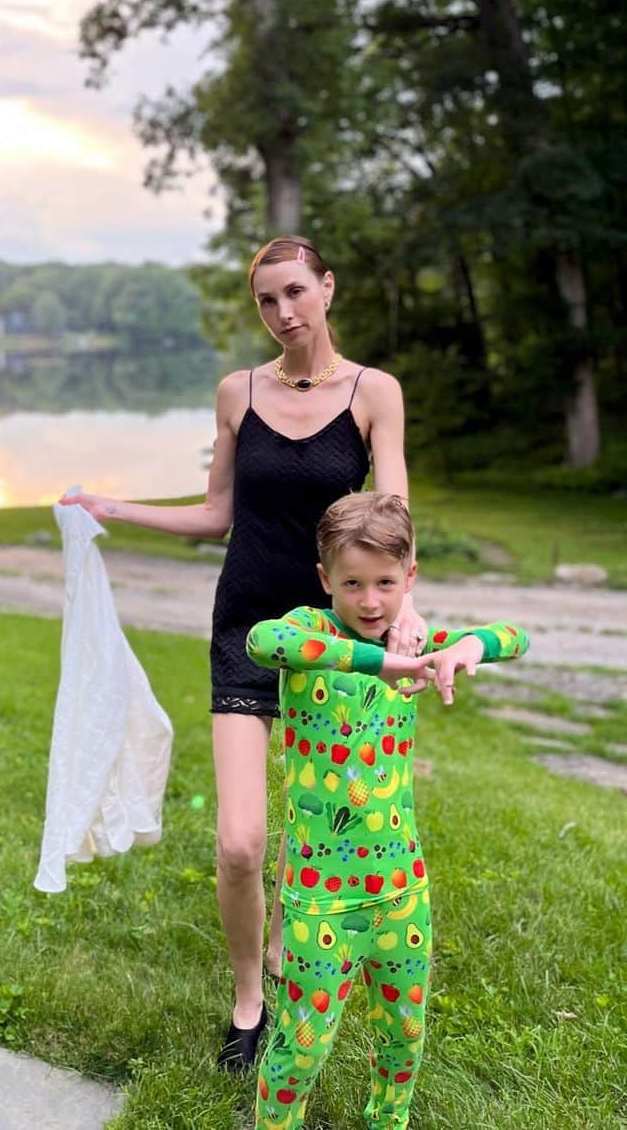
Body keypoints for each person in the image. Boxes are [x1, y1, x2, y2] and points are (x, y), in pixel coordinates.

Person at [61, 235, 427, 1069]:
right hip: (245, 628)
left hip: (338, 643)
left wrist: (405, 612)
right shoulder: (238, 392)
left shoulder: (376, 394)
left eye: (296, 292)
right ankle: (250, 996)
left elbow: (394, 512)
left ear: (328, 288)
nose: (284, 313)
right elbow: (216, 512)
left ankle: (307, 962)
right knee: (239, 842)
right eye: (267, 300)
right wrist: (114, 504)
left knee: (323, 831)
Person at [245, 491, 529, 1129]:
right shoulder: (312, 632)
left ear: (410, 578)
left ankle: (388, 1122)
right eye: (351, 583)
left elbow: (519, 635)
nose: (370, 602)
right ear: (325, 579)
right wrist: (389, 661)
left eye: (385, 583)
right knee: (301, 1049)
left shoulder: (419, 635)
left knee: (404, 1039)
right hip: (321, 898)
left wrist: (466, 650)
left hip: (402, 889)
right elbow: (265, 641)